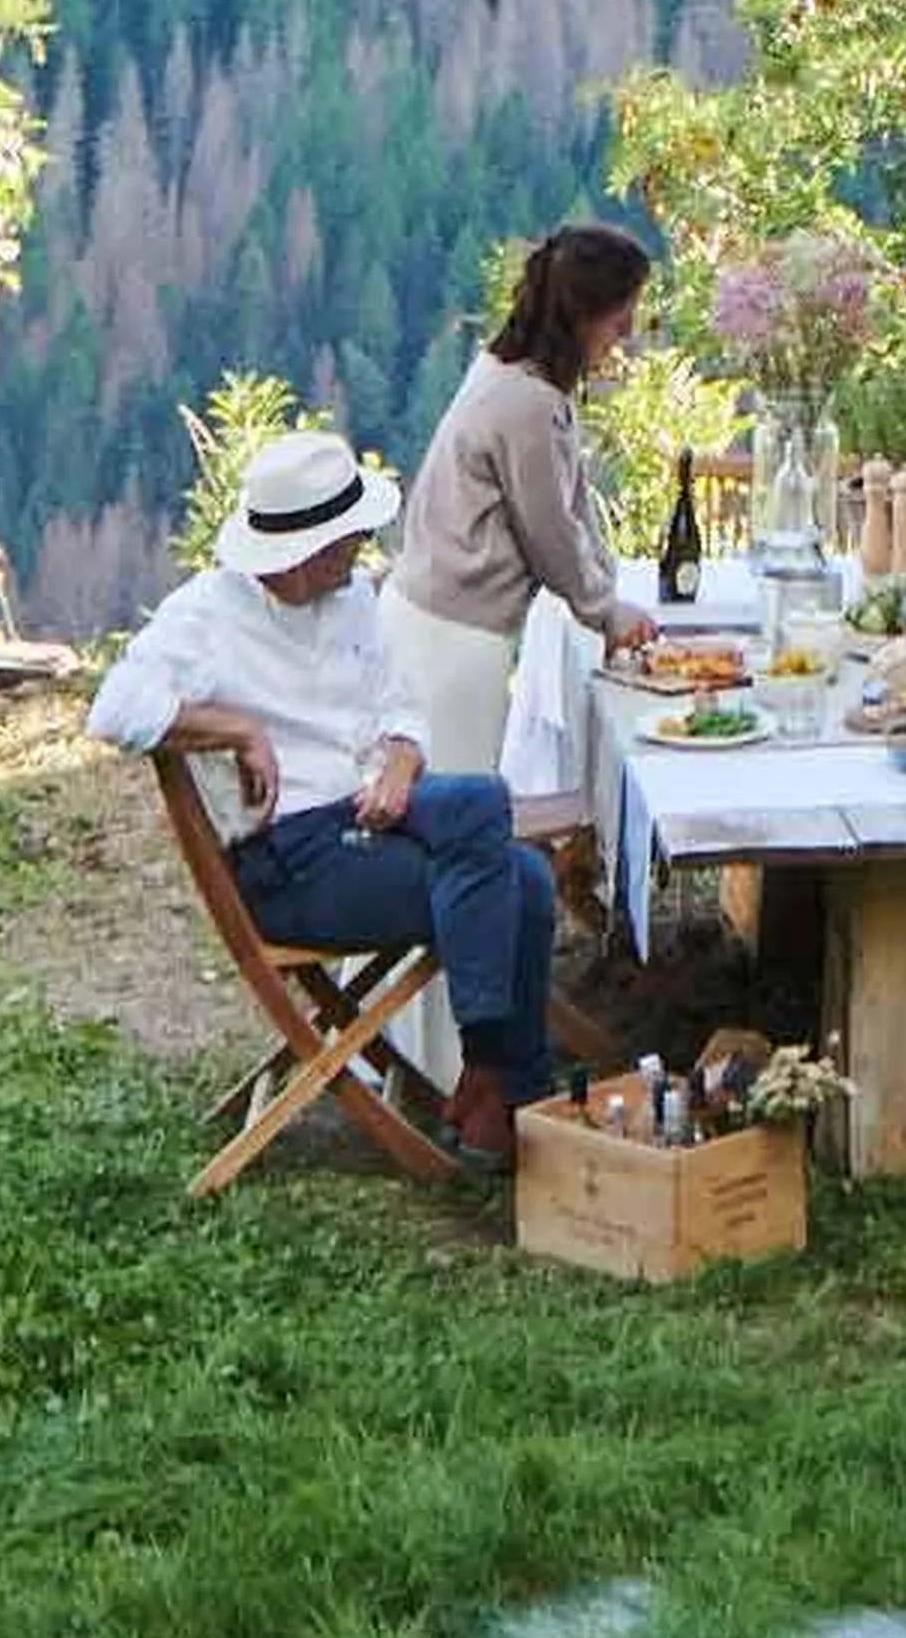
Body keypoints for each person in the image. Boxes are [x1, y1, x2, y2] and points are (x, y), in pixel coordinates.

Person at [87, 427, 557, 1164]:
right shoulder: (208, 615)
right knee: (521, 877)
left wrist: (402, 758)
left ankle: (491, 1076)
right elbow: (114, 709)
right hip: (292, 860)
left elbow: (399, 707)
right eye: (348, 541)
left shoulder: (353, 600)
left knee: (485, 807)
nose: (361, 551)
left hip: (368, 814)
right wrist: (238, 727)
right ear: (300, 554)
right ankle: (502, 1085)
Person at [385, 222, 663, 772]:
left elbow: (572, 505)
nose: (627, 331)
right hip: (451, 636)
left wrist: (603, 588)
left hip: (435, 616)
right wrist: (604, 611)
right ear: (582, 316)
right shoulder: (527, 404)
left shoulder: (514, 375)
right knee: (455, 799)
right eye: (620, 316)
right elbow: (549, 533)